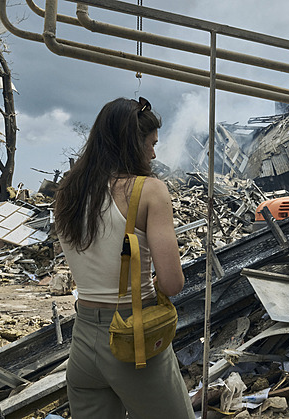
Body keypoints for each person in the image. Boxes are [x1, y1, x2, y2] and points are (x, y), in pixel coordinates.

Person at [54, 97, 195, 418]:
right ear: (133, 143)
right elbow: (172, 283)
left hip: (83, 341)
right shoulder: (149, 191)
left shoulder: (67, 193)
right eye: (151, 143)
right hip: (133, 342)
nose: (155, 152)